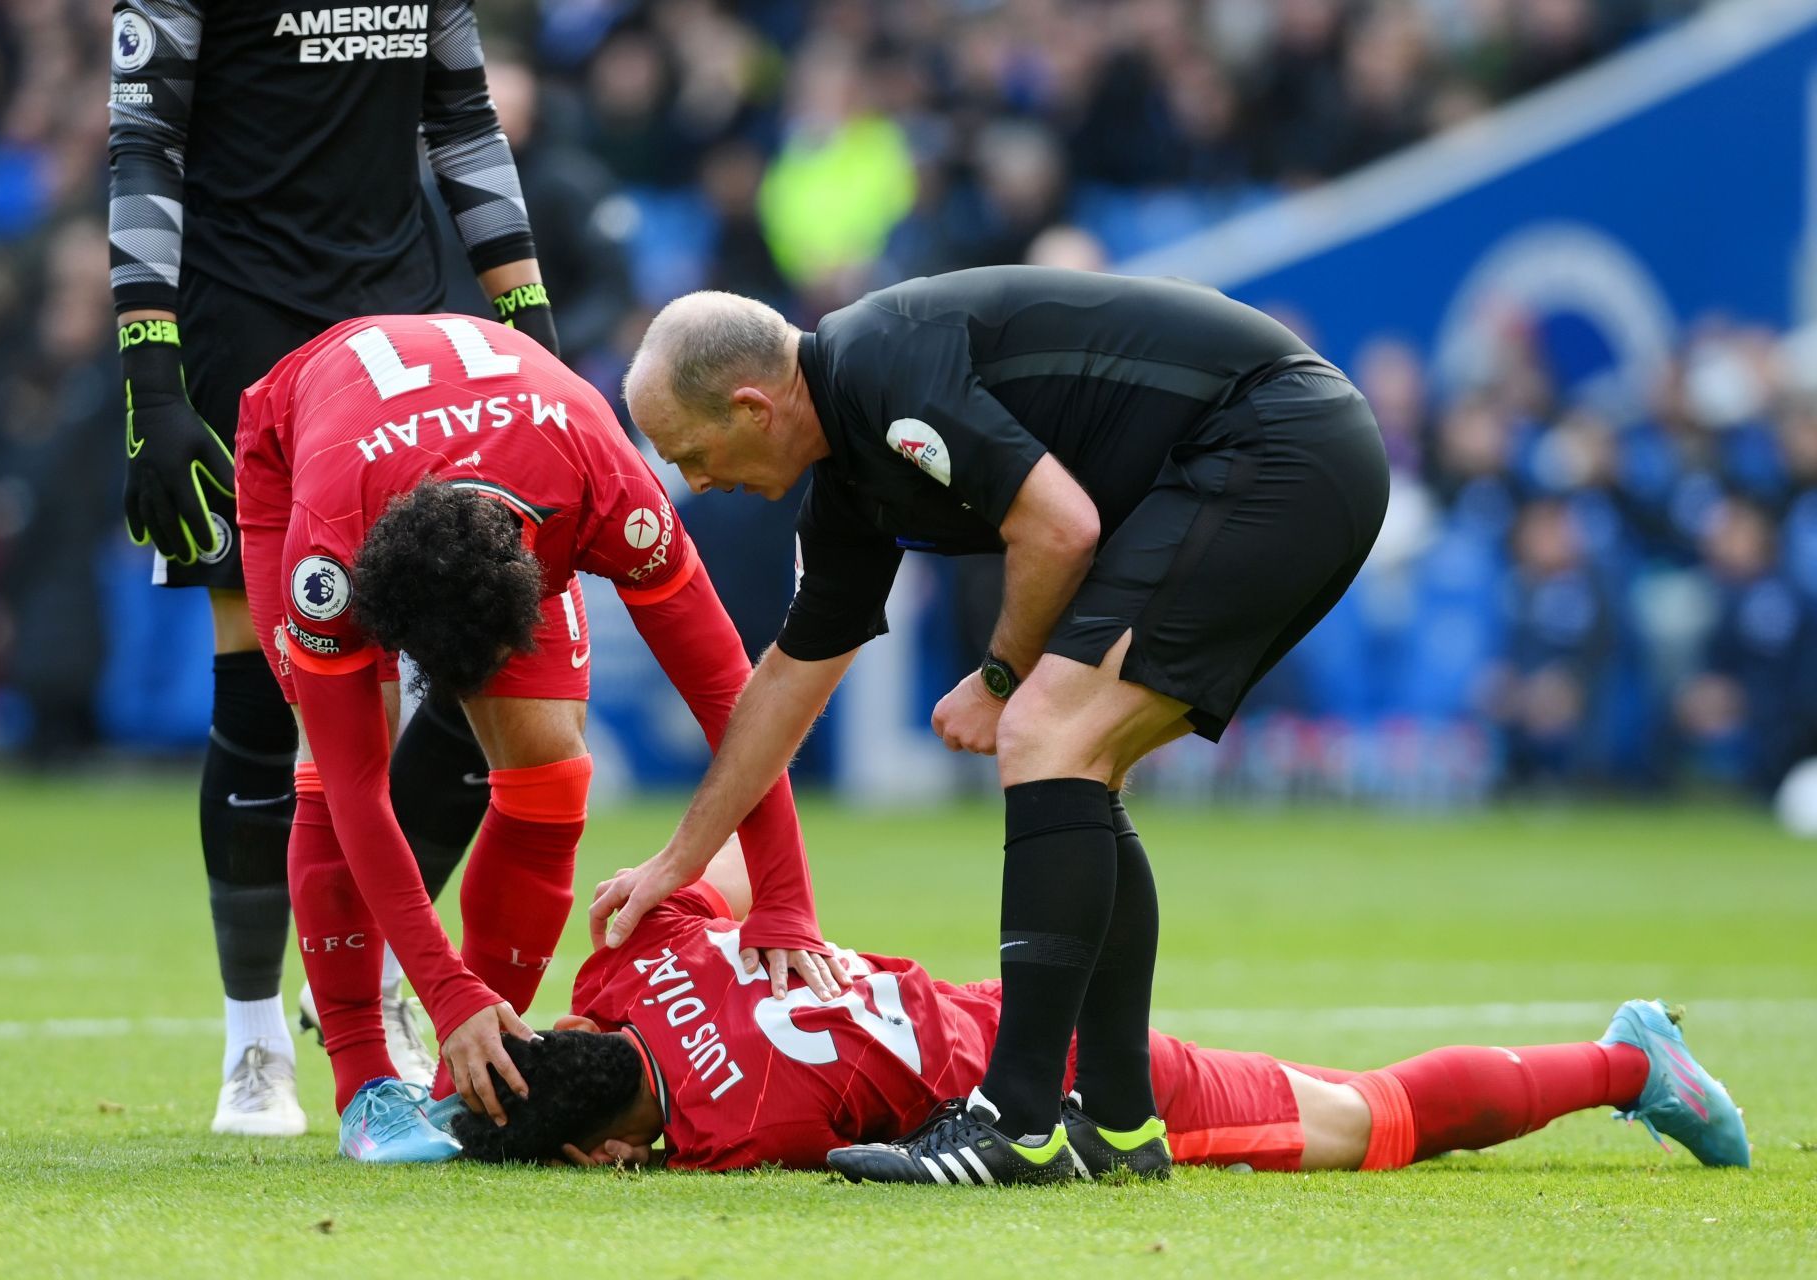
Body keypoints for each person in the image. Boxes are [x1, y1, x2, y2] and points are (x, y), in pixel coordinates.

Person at [601, 267, 1391, 1183]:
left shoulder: (876, 367)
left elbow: (1059, 527)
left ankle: (1016, 1123)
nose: (695, 480)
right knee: (1075, 761)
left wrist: (1000, 677)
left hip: (1274, 442)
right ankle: (1121, 1122)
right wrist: (679, 862)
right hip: (1273, 451)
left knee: (1045, 734)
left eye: (690, 452)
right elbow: (783, 684)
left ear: (752, 408)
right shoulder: (851, 478)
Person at [230, 311, 842, 1161]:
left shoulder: (608, 490)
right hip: (300, 444)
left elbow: (729, 698)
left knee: (552, 773)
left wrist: (785, 901)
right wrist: (446, 990)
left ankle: (470, 1090)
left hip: (521, 461)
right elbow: (357, 793)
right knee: (327, 769)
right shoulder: (325, 559)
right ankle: (366, 1084)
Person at [108, 0, 561, 1133]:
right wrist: (151, 370)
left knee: (466, 654)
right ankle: (253, 1041)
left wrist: (526, 311)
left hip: (402, 336)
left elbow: (462, 118)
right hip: (237, 336)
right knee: (266, 689)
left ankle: (370, 971)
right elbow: (143, 147)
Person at [447, 843, 1751, 1176]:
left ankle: (1629, 1067)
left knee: (1378, 1120)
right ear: (558, 1026)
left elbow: (707, 1117)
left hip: (1061, 1082)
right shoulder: (621, 963)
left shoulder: (731, 1140)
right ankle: (1623, 1063)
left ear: (597, 1153)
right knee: (1353, 1102)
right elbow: (723, 869)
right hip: (1018, 1008)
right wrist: (683, 885)